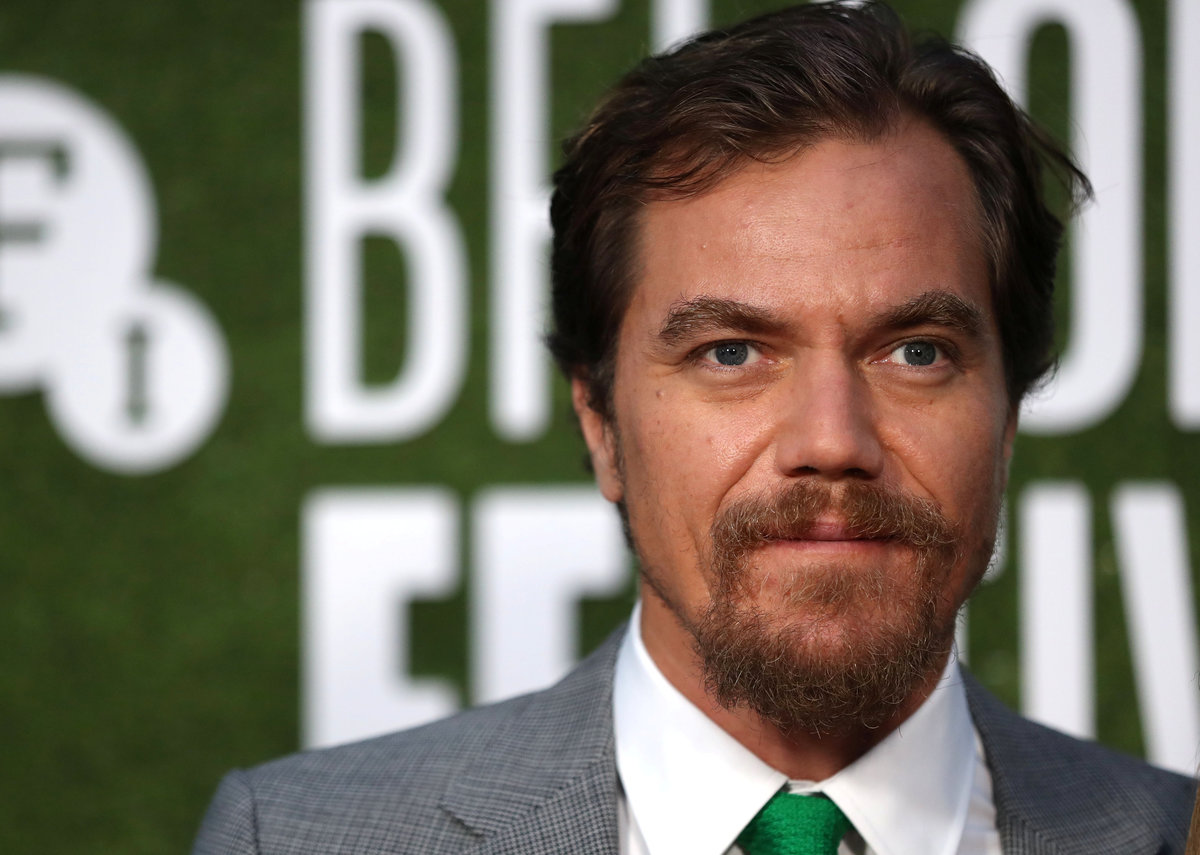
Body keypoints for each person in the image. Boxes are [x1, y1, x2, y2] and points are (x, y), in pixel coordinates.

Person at [194, 2, 1197, 853]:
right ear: (599, 423)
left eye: (916, 351)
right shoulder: (294, 838)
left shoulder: (1166, 832)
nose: (831, 440)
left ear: (1007, 417)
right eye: (731, 352)